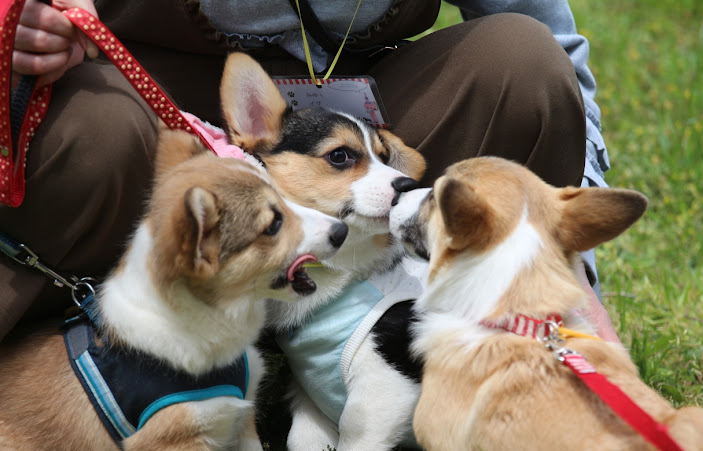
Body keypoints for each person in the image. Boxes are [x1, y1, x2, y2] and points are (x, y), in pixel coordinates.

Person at [1, 0, 617, 343]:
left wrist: (567, 260)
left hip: (371, 123)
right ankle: (92, 353)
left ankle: (494, 330)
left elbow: (555, 51)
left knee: (520, 62)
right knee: (92, 130)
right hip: (154, 115)